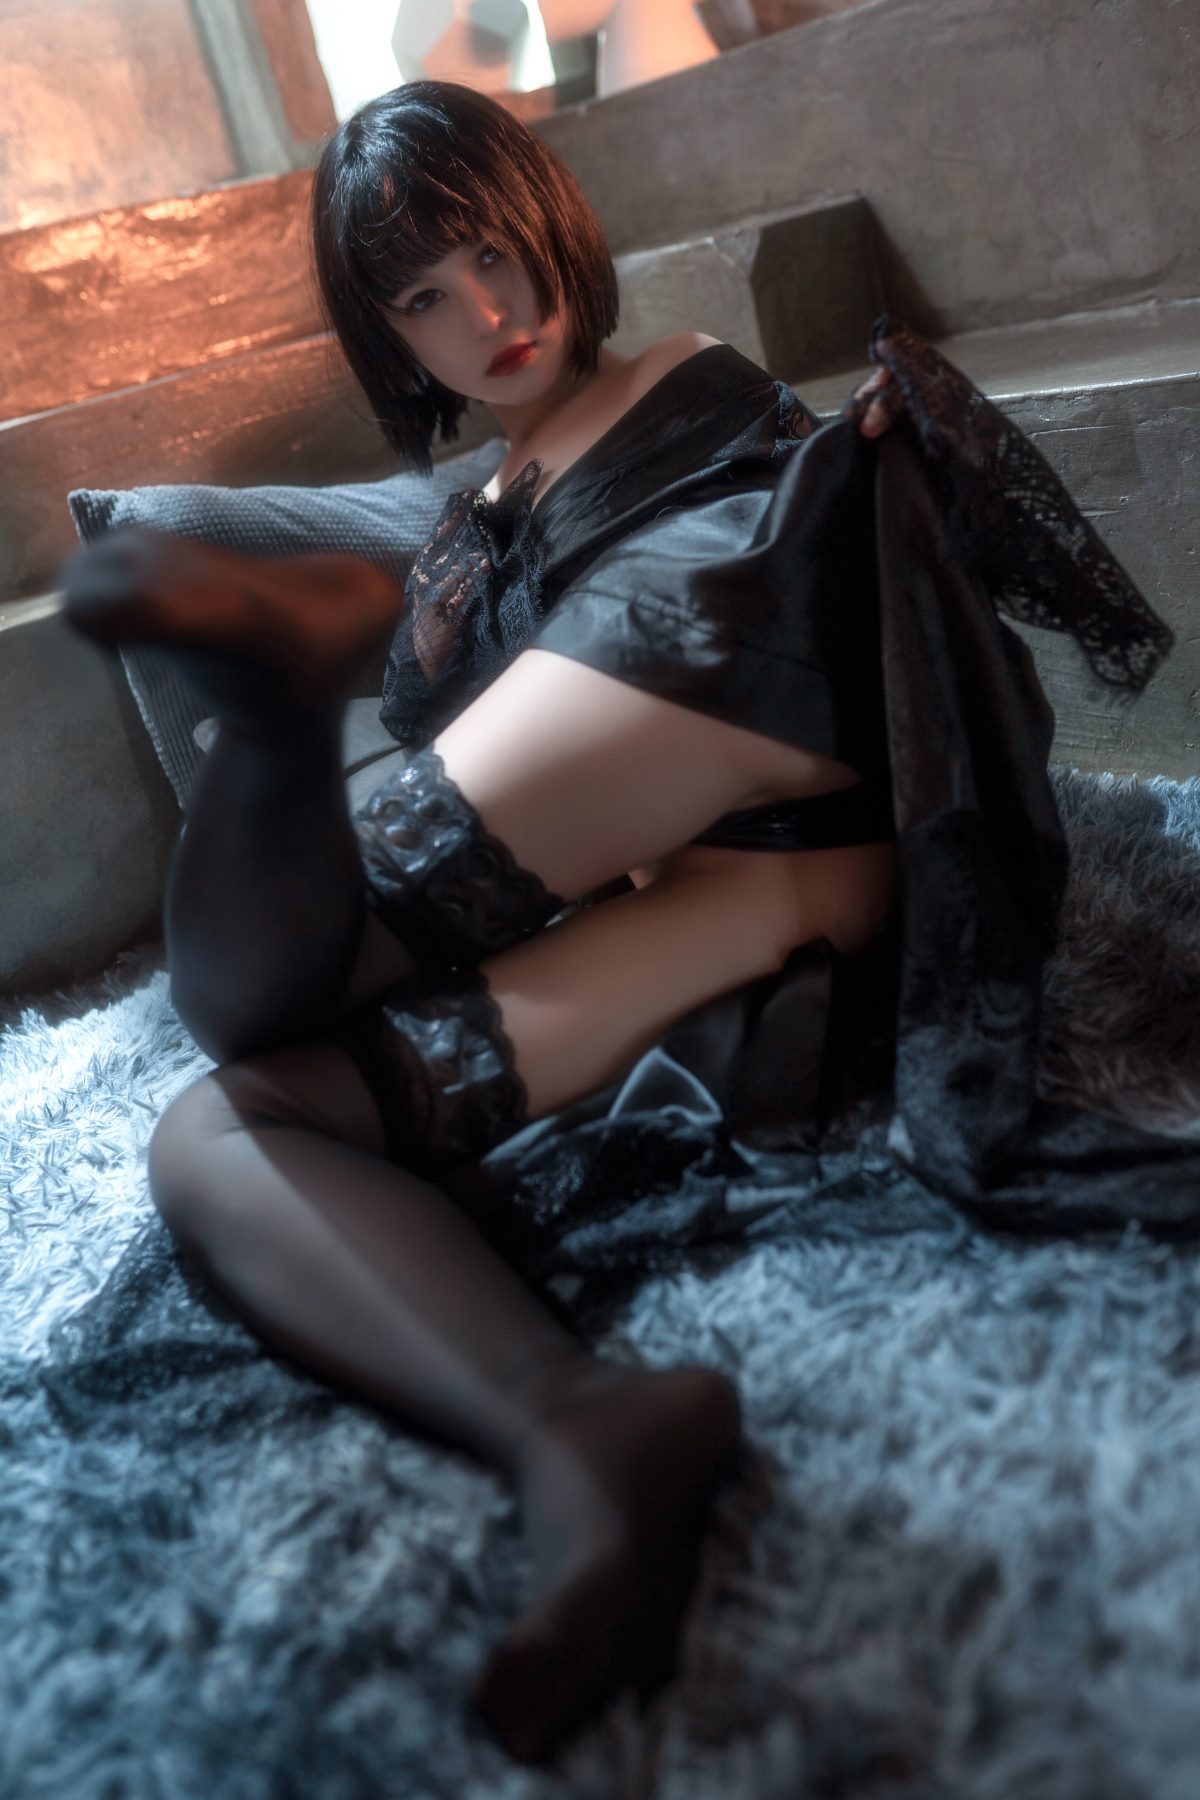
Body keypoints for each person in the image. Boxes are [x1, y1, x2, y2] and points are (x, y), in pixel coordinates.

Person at [60, 80, 1183, 1766]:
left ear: (552, 224)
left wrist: (894, 452)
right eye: (423, 297)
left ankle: (282, 720)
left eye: (494, 253)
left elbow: (834, 552)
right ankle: (577, 1426)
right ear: (389, 341)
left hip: (734, 663)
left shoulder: (684, 382)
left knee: (302, 957)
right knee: (231, 1117)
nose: (486, 315)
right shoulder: (469, 525)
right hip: (746, 910)